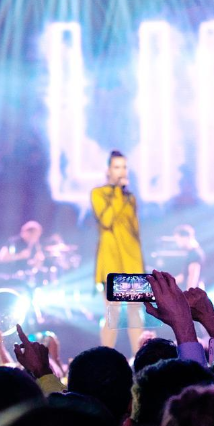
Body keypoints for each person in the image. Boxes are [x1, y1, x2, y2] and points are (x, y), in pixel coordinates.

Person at [92, 150, 144, 351]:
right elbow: (106, 220)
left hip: (132, 262)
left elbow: (135, 232)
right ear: (108, 170)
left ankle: (139, 356)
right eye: (117, 167)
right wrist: (116, 192)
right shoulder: (99, 194)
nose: (121, 171)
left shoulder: (130, 198)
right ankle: (106, 355)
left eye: (124, 167)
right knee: (112, 311)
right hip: (111, 262)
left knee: (135, 313)